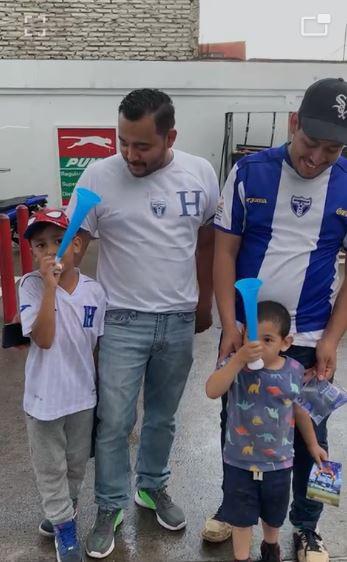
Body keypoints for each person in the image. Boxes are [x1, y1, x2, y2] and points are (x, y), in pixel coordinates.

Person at [66, 88, 220, 559]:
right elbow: (74, 243)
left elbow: (208, 241)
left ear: (170, 136)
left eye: (142, 146)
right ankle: (109, 504)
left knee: (162, 417)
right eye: (122, 143)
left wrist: (203, 304)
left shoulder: (200, 172)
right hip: (121, 321)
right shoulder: (98, 175)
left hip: (176, 321)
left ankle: (151, 487)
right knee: (113, 421)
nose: (130, 155)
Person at [204, 77, 347, 562]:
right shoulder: (249, 172)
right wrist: (229, 324)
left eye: (332, 149)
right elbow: (225, 252)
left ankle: (308, 528)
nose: (317, 158)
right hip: (250, 335)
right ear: (293, 124)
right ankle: (233, 509)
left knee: (313, 438)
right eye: (311, 143)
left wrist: (332, 338)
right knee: (237, 428)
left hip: (307, 339)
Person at [206, 300, 327, 562]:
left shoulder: (294, 371)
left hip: (279, 463)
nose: (257, 346)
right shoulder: (234, 366)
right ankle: (241, 557)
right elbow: (212, 390)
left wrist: (313, 444)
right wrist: (237, 360)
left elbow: (301, 411)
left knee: (274, 514)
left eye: (267, 339)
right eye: (252, 338)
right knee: (240, 517)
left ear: (285, 342)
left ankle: (270, 547)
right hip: (239, 461)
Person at [19, 209, 106, 562]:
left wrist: (100, 393)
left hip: (81, 397)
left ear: (77, 246)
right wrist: (51, 289)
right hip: (43, 400)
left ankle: (60, 512)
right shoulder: (30, 285)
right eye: (41, 244)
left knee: (75, 466)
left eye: (59, 241)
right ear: (33, 253)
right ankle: (64, 525)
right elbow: (43, 338)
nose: (50, 250)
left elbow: (95, 348)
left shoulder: (94, 292)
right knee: (50, 466)